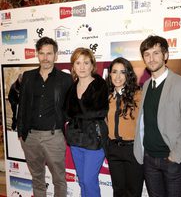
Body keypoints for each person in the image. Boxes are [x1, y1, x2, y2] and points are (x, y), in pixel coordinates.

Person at [134, 35, 181, 197]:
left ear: (166, 55)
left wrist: (174, 156)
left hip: (171, 160)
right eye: (147, 54)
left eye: (156, 53)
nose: (151, 58)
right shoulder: (147, 85)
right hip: (149, 159)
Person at [17, 36, 73, 197]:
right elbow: (22, 106)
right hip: (30, 137)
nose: (45, 58)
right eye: (42, 53)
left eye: (49, 54)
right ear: (37, 54)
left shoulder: (65, 79)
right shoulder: (27, 77)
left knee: (59, 180)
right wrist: (21, 133)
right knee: (37, 177)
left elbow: (71, 108)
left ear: (56, 55)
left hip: (53, 137)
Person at [65, 47, 109, 197]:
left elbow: (99, 111)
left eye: (86, 62)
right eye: (78, 63)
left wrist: (78, 114)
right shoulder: (71, 88)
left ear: (92, 65)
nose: (82, 67)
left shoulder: (100, 85)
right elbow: (67, 112)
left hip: (94, 141)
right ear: (73, 66)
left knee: (89, 181)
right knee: (82, 181)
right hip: (76, 141)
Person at [106, 57, 144, 197]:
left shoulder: (139, 95)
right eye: (114, 72)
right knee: (118, 191)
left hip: (133, 150)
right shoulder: (107, 96)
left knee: (133, 192)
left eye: (122, 72)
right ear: (109, 74)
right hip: (113, 149)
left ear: (128, 74)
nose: (118, 76)